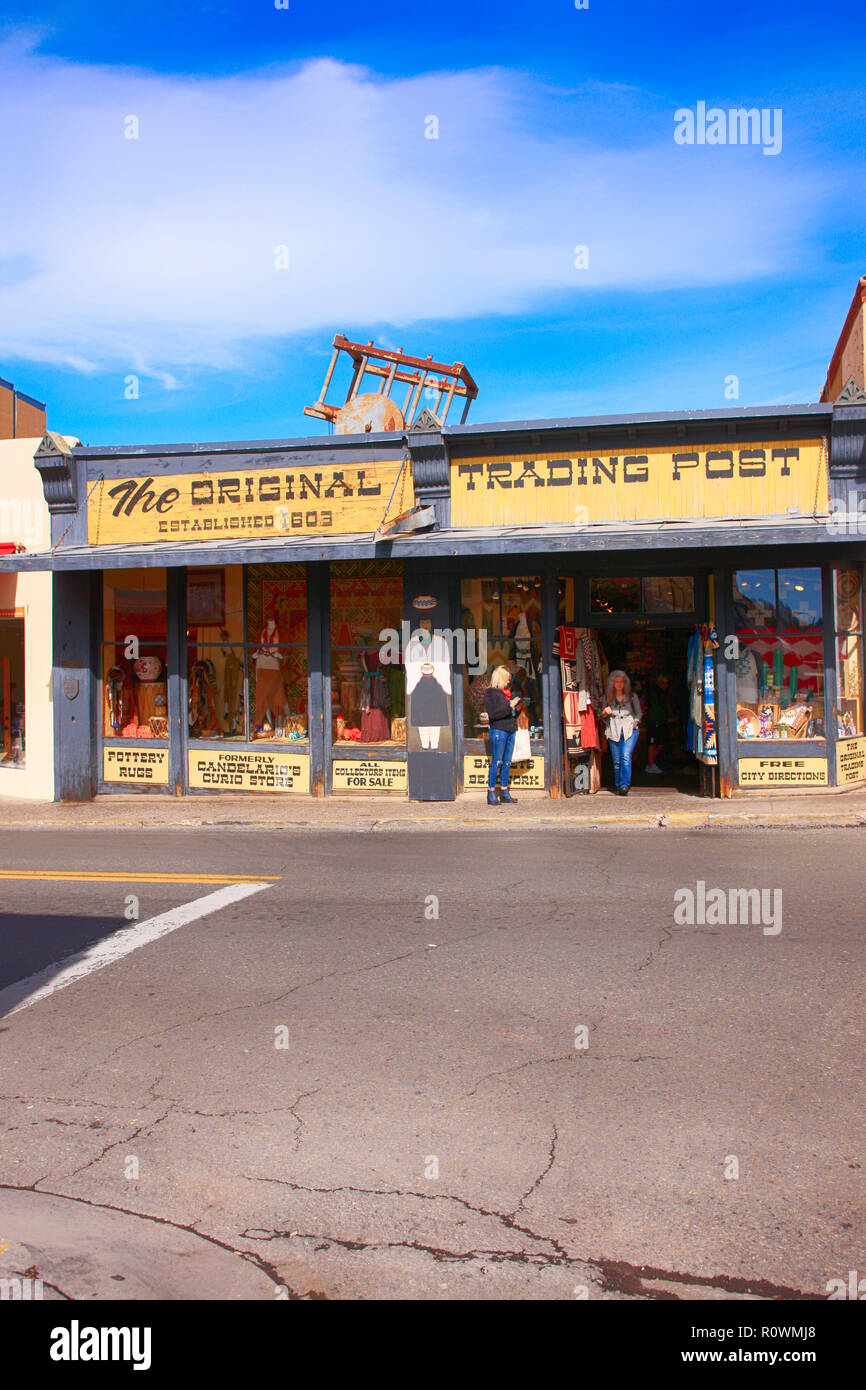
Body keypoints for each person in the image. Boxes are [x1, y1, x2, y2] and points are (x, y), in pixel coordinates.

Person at [483, 665, 521, 805]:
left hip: (510, 729)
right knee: (497, 761)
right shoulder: (490, 693)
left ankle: (504, 791)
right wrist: (509, 706)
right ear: (501, 678)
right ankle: (491, 792)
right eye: (507, 679)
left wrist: (515, 707)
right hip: (498, 729)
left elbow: (507, 712)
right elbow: (494, 714)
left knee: (507, 762)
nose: (509, 682)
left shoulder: (507, 693)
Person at [601, 669, 642, 796]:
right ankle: (618, 785)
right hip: (613, 729)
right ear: (612, 683)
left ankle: (625, 785)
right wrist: (604, 713)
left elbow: (639, 713)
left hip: (629, 729)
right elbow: (602, 716)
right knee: (617, 760)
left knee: (625, 756)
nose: (619, 684)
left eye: (621, 682)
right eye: (616, 682)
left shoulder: (632, 696)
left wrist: (634, 723)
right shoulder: (607, 697)